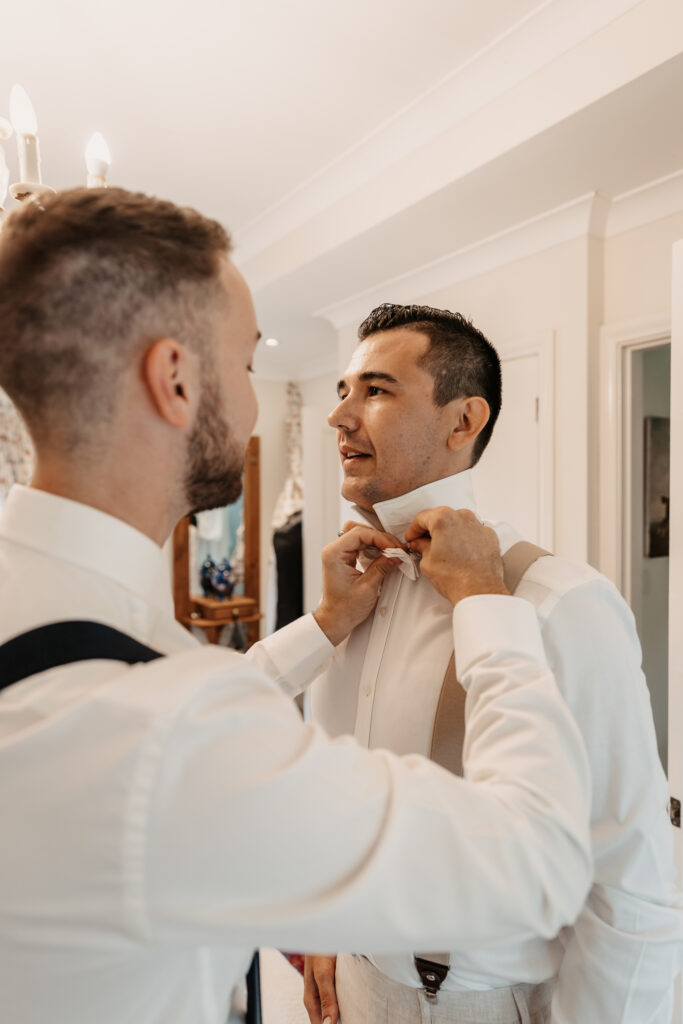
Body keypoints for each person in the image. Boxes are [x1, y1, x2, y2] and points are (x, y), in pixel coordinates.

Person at [0, 190, 593, 1024]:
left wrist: (319, 629)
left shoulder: (75, 628)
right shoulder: (167, 730)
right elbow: (538, 864)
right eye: (246, 365)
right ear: (173, 379)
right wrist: (489, 608)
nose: (323, 415)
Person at [303, 303, 683, 1024]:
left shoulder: (560, 602)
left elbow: (629, 880)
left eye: (375, 390)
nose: (339, 417)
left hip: (471, 1003)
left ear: (462, 420)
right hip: (349, 980)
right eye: (341, 391)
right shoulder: (347, 589)